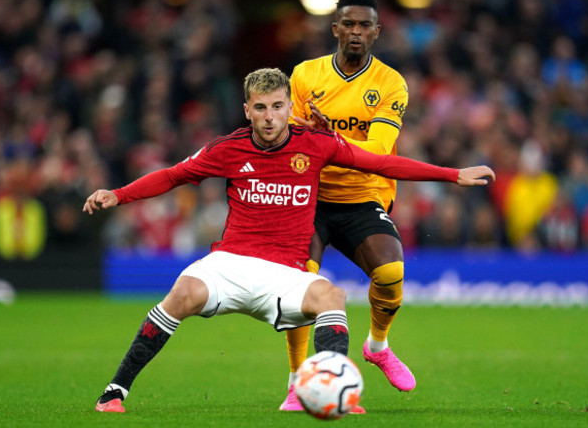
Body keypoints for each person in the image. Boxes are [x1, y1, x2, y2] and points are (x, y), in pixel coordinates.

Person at [84, 67, 494, 413]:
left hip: (285, 274)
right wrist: (118, 194)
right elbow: (173, 175)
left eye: (277, 106)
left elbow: (382, 162)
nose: (268, 117)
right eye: (260, 108)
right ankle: (115, 392)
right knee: (181, 292)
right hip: (229, 263)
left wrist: (452, 174)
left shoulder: (316, 144)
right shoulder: (227, 149)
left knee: (332, 297)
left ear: (289, 108)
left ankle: (333, 390)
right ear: (247, 110)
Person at [280, 0, 424, 412]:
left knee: (392, 271)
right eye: (349, 24)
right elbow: (289, 141)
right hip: (312, 196)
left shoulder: (390, 83)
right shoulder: (305, 75)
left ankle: (377, 346)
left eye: (365, 25)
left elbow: (379, 150)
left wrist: (328, 137)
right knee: (300, 284)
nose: (356, 32)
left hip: (363, 194)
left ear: (377, 32)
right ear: (335, 29)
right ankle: (295, 381)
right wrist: (313, 138)